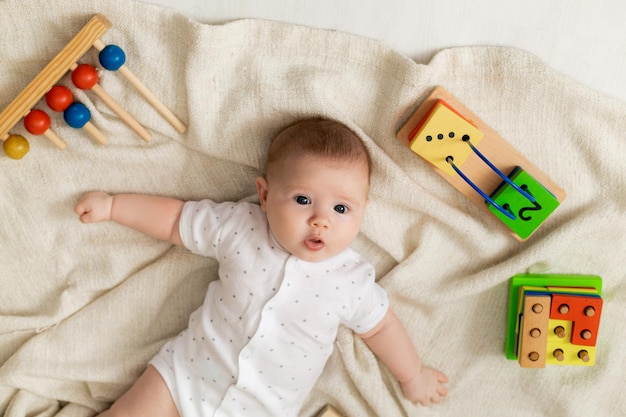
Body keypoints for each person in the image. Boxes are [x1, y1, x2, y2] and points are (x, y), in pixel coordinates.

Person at [75, 118, 448, 417]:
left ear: (362, 210)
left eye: (341, 209)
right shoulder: (240, 227)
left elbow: (381, 327)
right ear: (266, 196)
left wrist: (413, 376)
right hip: (184, 379)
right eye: (303, 200)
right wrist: (114, 206)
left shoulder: (351, 280)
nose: (321, 221)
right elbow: (176, 221)